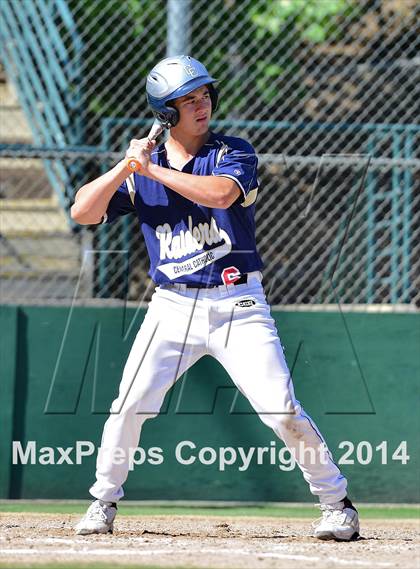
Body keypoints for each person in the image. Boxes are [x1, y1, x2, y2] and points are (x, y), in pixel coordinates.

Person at [72, 55, 359, 541]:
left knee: (280, 409)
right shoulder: (142, 167)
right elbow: (83, 211)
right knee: (132, 403)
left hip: (238, 304)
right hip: (171, 307)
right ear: (166, 113)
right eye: (187, 100)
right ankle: (103, 501)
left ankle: (338, 505)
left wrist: (153, 173)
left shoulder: (233, 151)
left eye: (204, 94)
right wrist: (127, 166)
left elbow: (221, 195)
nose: (201, 104)